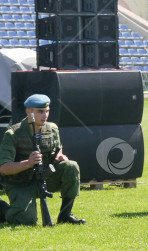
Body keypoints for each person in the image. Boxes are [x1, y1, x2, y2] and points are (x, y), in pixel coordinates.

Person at [0, 94, 85, 225]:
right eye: (40, 112)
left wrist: (59, 157)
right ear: (28, 111)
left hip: (45, 177)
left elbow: (58, 148)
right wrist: (27, 163)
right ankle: (3, 209)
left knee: (71, 166)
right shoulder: (13, 134)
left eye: (47, 111)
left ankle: (65, 215)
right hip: (21, 183)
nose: (45, 115)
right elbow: (4, 168)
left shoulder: (52, 129)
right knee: (25, 220)